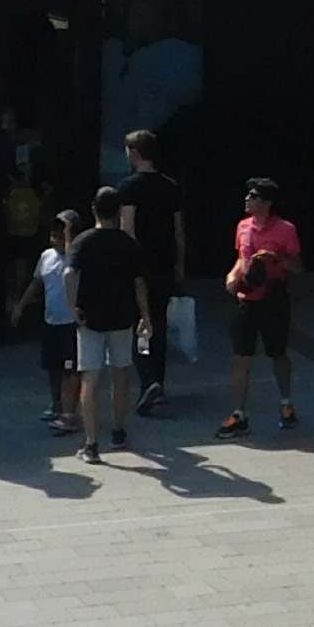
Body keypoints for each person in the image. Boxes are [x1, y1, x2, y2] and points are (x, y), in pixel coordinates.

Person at [219, 175, 302, 436]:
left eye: (253, 196)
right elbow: (241, 259)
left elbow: (298, 266)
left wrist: (275, 258)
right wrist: (232, 276)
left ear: (266, 203)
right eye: (247, 195)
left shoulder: (286, 229)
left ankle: (286, 403)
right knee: (240, 357)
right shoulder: (243, 226)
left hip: (273, 300)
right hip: (246, 300)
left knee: (277, 354)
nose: (247, 199)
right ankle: (239, 414)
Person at [66, 189, 144, 462]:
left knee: (90, 377)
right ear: (119, 211)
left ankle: (91, 443)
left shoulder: (83, 241)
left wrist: (73, 307)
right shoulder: (128, 243)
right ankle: (118, 431)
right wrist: (145, 315)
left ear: (94, 209)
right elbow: (138, 282)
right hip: (122, 316)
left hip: (90, 317)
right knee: (121, 374)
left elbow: (69, 273)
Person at [118, 132, 190, 413]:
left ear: (135, 152)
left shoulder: (128, 187)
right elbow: (179, 231)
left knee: (139, 323)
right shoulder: (171, 186)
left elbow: (128, 230)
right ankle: (158, 382)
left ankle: (148, 381)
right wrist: (180, 265)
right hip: (165, 263)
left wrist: (126, 264)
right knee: (158, 322)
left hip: (140, 266)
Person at [13, 208, 82, 433]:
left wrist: (70, 237)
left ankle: (70, 411)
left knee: (71, 369)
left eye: (61, 235)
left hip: (71, 323)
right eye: (53, 235)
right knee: (52, 367)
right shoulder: (46, 256)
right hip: (51, 320)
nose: (55, 240)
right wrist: (20, 307)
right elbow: (36, 284)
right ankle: (56, 404)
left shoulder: (77, 257)